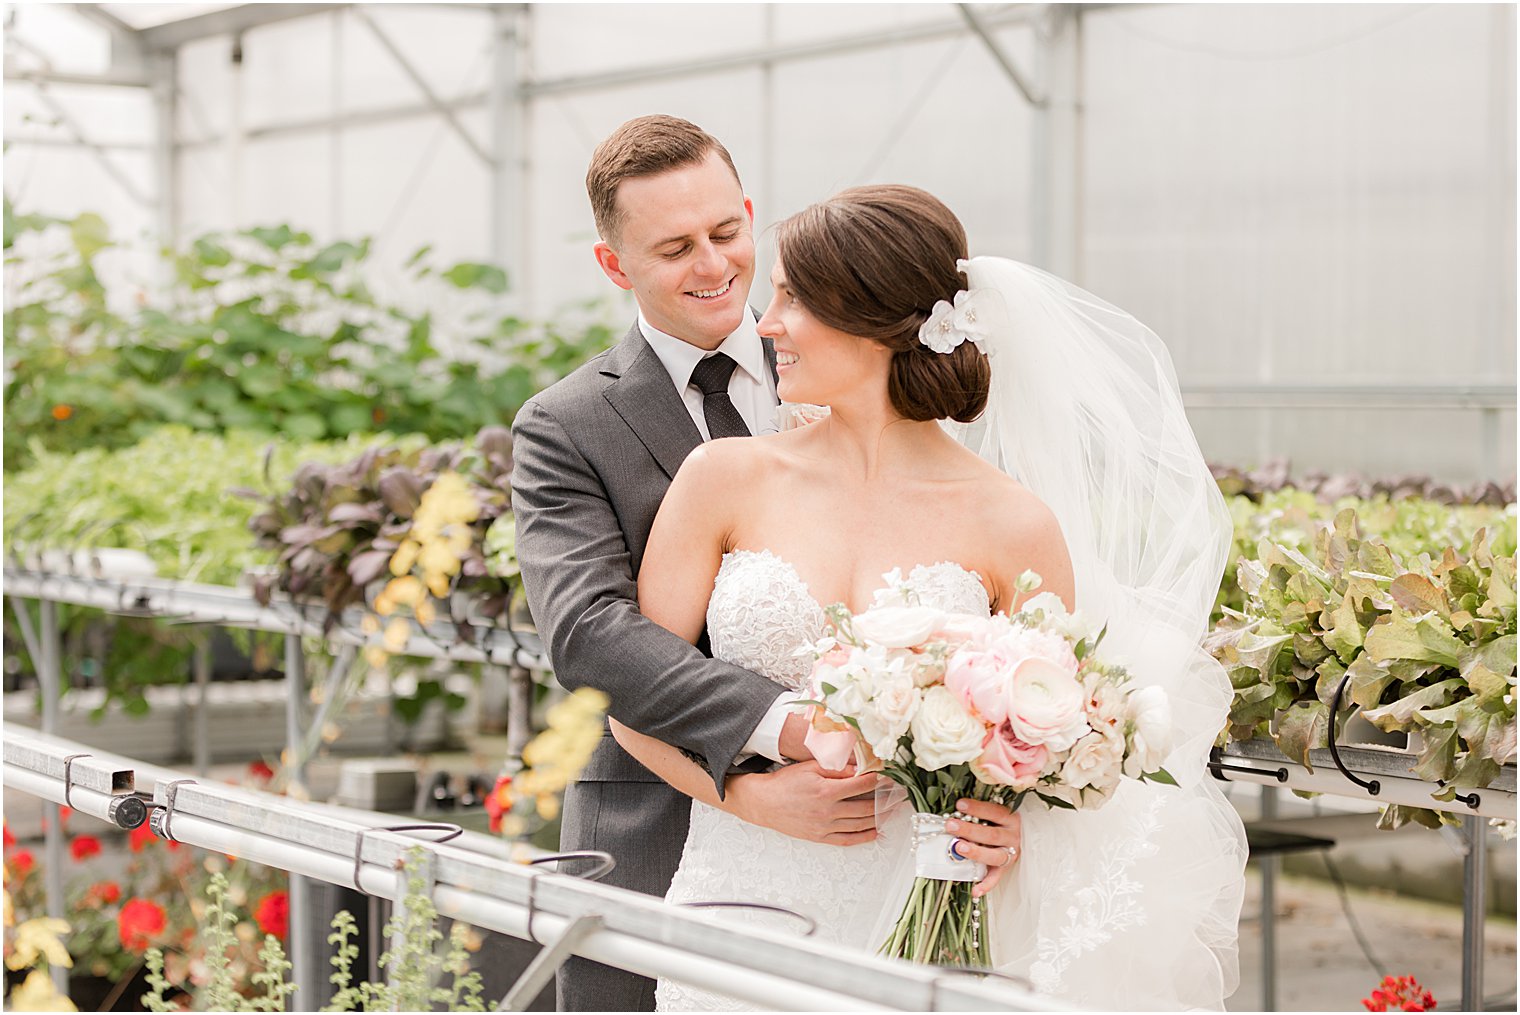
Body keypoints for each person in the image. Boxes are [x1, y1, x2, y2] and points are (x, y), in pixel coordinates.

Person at [611, 185, 1249, 1010]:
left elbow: (1055, 740)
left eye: (793, 297)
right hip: (735, 898)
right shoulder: (723, 478)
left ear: (872, 317)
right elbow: (632, 700)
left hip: (926, 911)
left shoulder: (1013, 521)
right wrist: (750, 795)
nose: (765, 324)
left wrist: (1015, 830)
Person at [510, 118, 1022, 1013]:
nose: (714, 265)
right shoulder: (567, 425)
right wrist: (771, 760)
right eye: (674, 247)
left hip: (899, 853)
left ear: (751, 215)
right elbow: (591, 635)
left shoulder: (849, 374)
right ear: (614, 263)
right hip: (658, 824)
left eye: (725, 232)